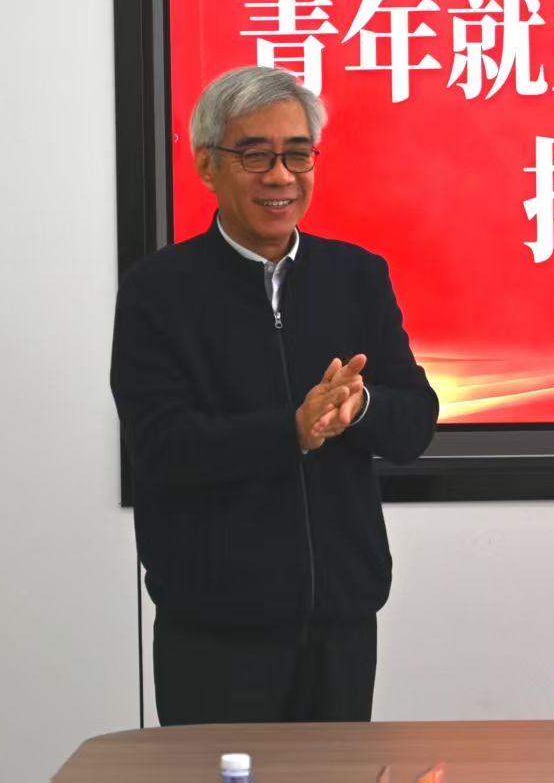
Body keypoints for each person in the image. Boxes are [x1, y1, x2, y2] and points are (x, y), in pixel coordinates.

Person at [111, 66, 439, 725]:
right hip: (214, 631)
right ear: (207, 165)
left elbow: (414, 421)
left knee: (338, 775)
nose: (281, 176)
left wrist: (360, 407)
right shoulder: (158, 291)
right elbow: (162, 446)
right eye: (255, 155)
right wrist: (290, 430)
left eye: (297, 154)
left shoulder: (356, 276)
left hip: (341, 621)